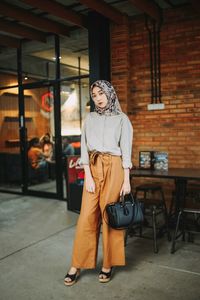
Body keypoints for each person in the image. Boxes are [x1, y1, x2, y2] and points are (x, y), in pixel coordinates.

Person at [64, 80, 133, 286]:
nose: (98, 98)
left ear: (110, 93)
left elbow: (126, 150)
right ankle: (77, 264)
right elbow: (84, 147)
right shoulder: (91, 118)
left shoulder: (122, 119)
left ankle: (108, 263)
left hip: (115, 167)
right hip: (93, 167)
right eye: (94, 95)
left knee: (109, 216)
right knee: (86, 217)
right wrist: (88, 175)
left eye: (101, 93)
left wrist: (126, 180)